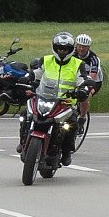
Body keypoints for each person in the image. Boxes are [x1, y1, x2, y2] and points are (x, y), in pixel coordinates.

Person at [34, 31, 86, 165]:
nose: (62, 51)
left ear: (71, 49)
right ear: (54, 48)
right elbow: (36, 74)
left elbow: (83, 80)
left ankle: (67, 151)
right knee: (25, 115)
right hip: (44, 98)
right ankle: (23, 141)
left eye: (65, 49)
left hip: (65, 104)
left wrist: (83, 90)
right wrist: (26, 79)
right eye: (59, 48)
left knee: (72, 124)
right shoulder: (45, 60)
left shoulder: (78, 64)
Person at [72, 34, 103, 127]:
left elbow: (93, 75)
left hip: (94, 82)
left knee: (85, 96)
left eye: (84, 47)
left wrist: (85, 86)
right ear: (76, 46)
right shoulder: (72, 55)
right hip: (77, 79)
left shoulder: (94, 59)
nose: (81, 49)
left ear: (88, 47)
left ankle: (82, 117)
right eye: (79, 46)